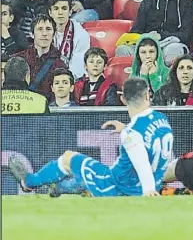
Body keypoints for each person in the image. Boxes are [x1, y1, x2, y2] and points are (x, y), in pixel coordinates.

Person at [8, 77, 174, 197]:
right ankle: (57, 189)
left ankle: (29, 182)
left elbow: (141, 161)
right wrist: (125, 128)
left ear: (122, 99)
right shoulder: (162, 120)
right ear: (147, 96)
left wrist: (149, 191)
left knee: (68, 158)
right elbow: (150, 145)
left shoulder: (132, 134)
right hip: (142, 185)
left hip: (115, 187)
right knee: (85, 175)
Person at [14, 14, 68, 99]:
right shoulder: (18, 59)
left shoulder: (60, 64)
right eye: (40, 29)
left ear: (54, 34)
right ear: (32, 34)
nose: (44, 34)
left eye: (48, 29)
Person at [47, 0, 90, 79]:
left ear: (70, 12)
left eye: (64, 8)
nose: (60, 13)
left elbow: (77, 70)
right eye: (56, 9)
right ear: (50, 13)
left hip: (68, 82)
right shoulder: (44, 31)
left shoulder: (80, 35)